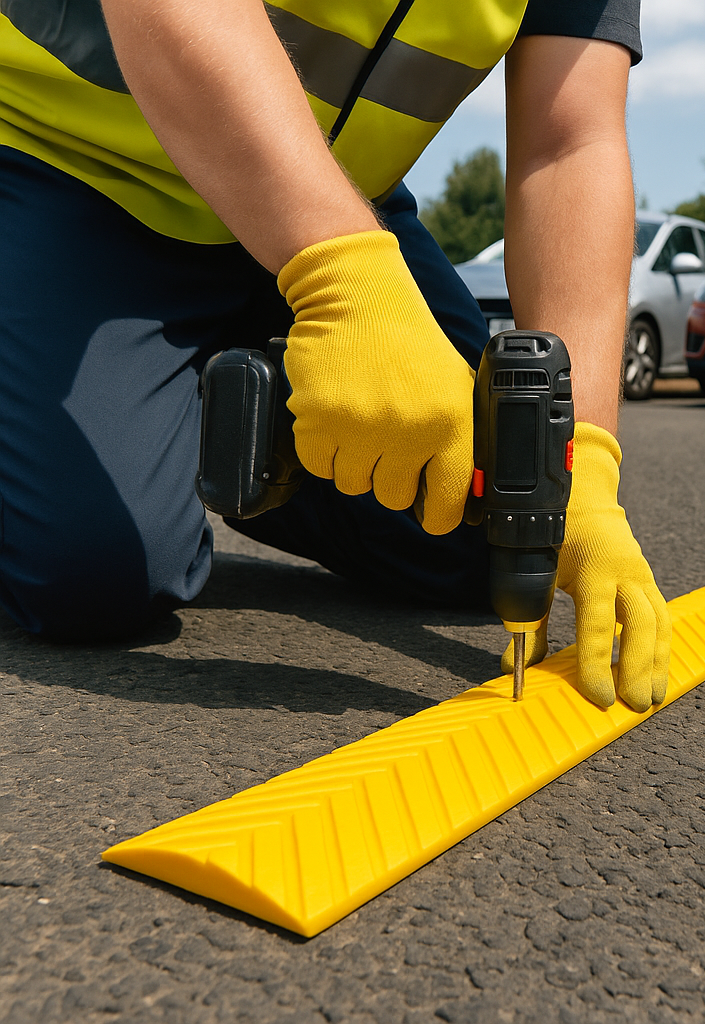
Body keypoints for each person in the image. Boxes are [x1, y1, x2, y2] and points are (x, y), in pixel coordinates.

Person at [0, 0, 671, 712]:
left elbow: (570, 143)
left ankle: (230, 416)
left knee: (494, 529)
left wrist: (579, 461)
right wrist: (342, 277)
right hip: (66, 167)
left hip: (333, 193)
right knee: (92, 571)